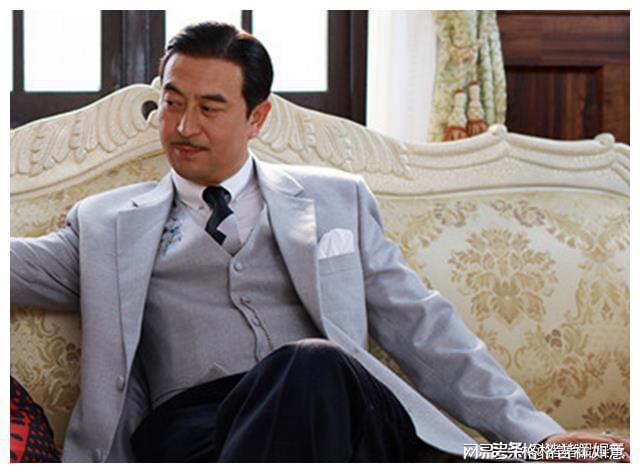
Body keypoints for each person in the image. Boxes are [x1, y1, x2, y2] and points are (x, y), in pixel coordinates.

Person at [10, 21, 630, 463]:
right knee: (311, 367)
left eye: (209, 108)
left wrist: (536, 436)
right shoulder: (108, 223)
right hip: (200, 437)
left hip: (339, 412)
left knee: (312, 366)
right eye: (172, 104)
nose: (183, 126)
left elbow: (421, 325)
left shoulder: (337, 200)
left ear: (257, 117)